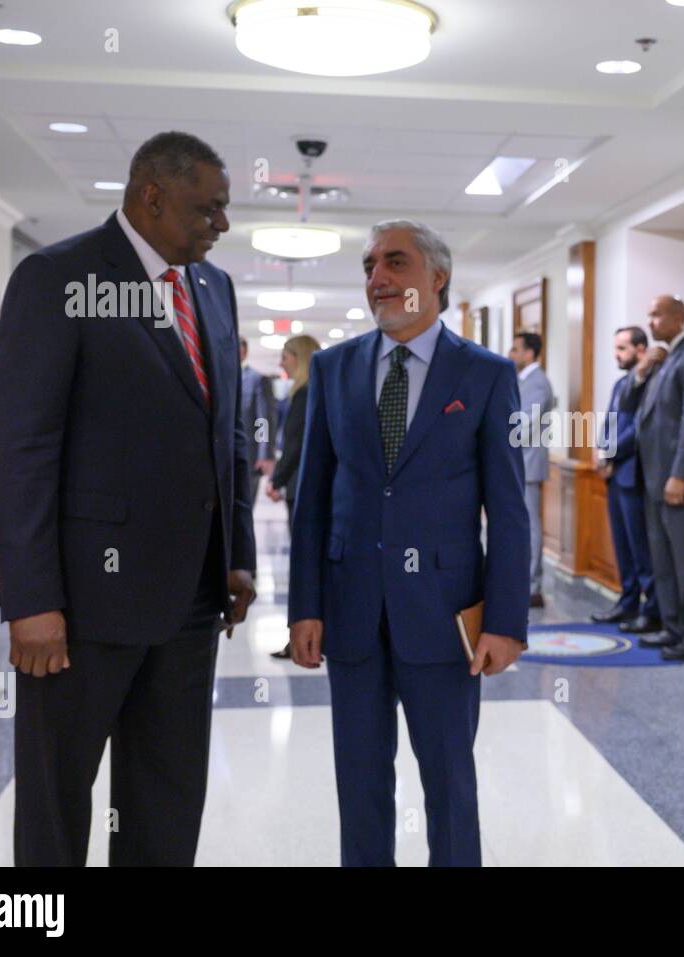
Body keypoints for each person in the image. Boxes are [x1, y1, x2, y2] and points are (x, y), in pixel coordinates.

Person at [0, 130, 257, 866]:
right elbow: (19, 448)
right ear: (151, 197)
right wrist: (31, 600)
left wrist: (236, 556)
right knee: (56, 804)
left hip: (191, 604)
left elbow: (226, 435)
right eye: (207, 210)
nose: (220, 226)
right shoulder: (59, 276)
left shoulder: (215, 289)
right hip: (79, 609)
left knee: (167, 800)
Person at [287, 219, 530, 867]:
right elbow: (311, 500)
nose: (377, 279)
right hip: (351, 613)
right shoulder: (334, 370)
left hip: (446, 616)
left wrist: (505, 621)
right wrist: (304, 608)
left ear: (437, 278)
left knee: (450, 782)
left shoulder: (485, 374)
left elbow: (508, 510)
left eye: (394, 263)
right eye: (369, 266)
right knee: (360, 783)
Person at [619, 295, 684, 661]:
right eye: (649, 314)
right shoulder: (659, 357)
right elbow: (628, 405)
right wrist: (640, 373)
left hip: (672, 481)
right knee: (661, 559)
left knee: (682, 561)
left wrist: (681, 474)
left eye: (656, 315)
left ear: (678, 317)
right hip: (649, 477)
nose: (650, 322)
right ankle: (669, 627)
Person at [592, 326, 660, 633]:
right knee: (622, 545)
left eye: (622, 348)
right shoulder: (621, 383)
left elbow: (638, 429)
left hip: (635, 475)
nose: (616, 354)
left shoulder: (650, 384)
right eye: (616, 347)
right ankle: (627, 602)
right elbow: (610, 421)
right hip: (614, 476)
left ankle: (651, 610)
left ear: (641, 349)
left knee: (641, 547)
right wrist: (601, 449)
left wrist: (610, 454)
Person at [268, 334, 320, 661]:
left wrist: (277, 479)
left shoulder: (304, 394)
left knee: (303, 563)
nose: (281, 363)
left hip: (300, 488)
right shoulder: (316, 391)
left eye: (285, 356)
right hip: (308, 486)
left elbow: (296, 445)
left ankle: (301, 638)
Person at [507, 330, 554, 608]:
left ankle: (533, 585)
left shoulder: (537, 383)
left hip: (527, 463)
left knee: (530, 526)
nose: (511, 355)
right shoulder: (523, 380)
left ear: (529, 353)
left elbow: (524, 425)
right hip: (518, 463)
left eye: (515, 350)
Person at [240, 337, 276, 501]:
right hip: (223, 451)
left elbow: (263, 419)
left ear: (244, 351)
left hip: (249, 452)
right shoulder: (219, 377)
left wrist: (265, 453)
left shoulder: (257, 379)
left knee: (245, 503)